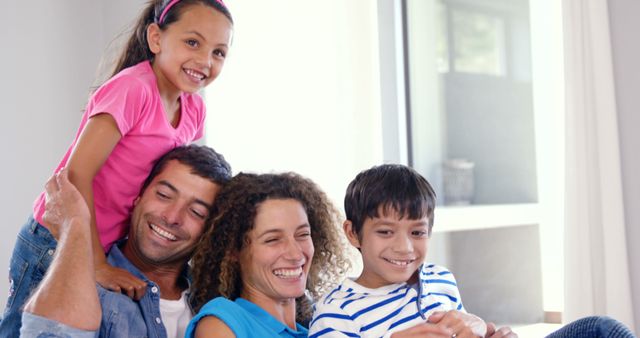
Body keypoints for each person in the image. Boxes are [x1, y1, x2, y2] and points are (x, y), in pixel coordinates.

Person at [0, 0, 234, 335]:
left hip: (105, 243)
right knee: (21, 328)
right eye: (193, 43)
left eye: (219, 52)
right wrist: (95, 262)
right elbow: (76, 175)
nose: (205, 61)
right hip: (56, 239)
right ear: (156, 38)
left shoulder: (194, 110)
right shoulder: (133, 90)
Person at [21, 144, 232, 338]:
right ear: (138, 196)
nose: (172, 217)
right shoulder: (84, 284)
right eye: (164, 195)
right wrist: (75, 226)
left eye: (196, 212)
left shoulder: (219, 305)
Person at [309, 164, 515, 338]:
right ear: (353, 232)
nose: (404, 248)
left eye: (417, 232)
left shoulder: (441, 279)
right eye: (385, 232)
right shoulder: (336, 313)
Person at [185, 172, 351, 338]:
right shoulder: (222, 322)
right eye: (273, 239)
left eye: (302, 234)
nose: (295, 254)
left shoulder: (322, 328)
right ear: (234, 250)